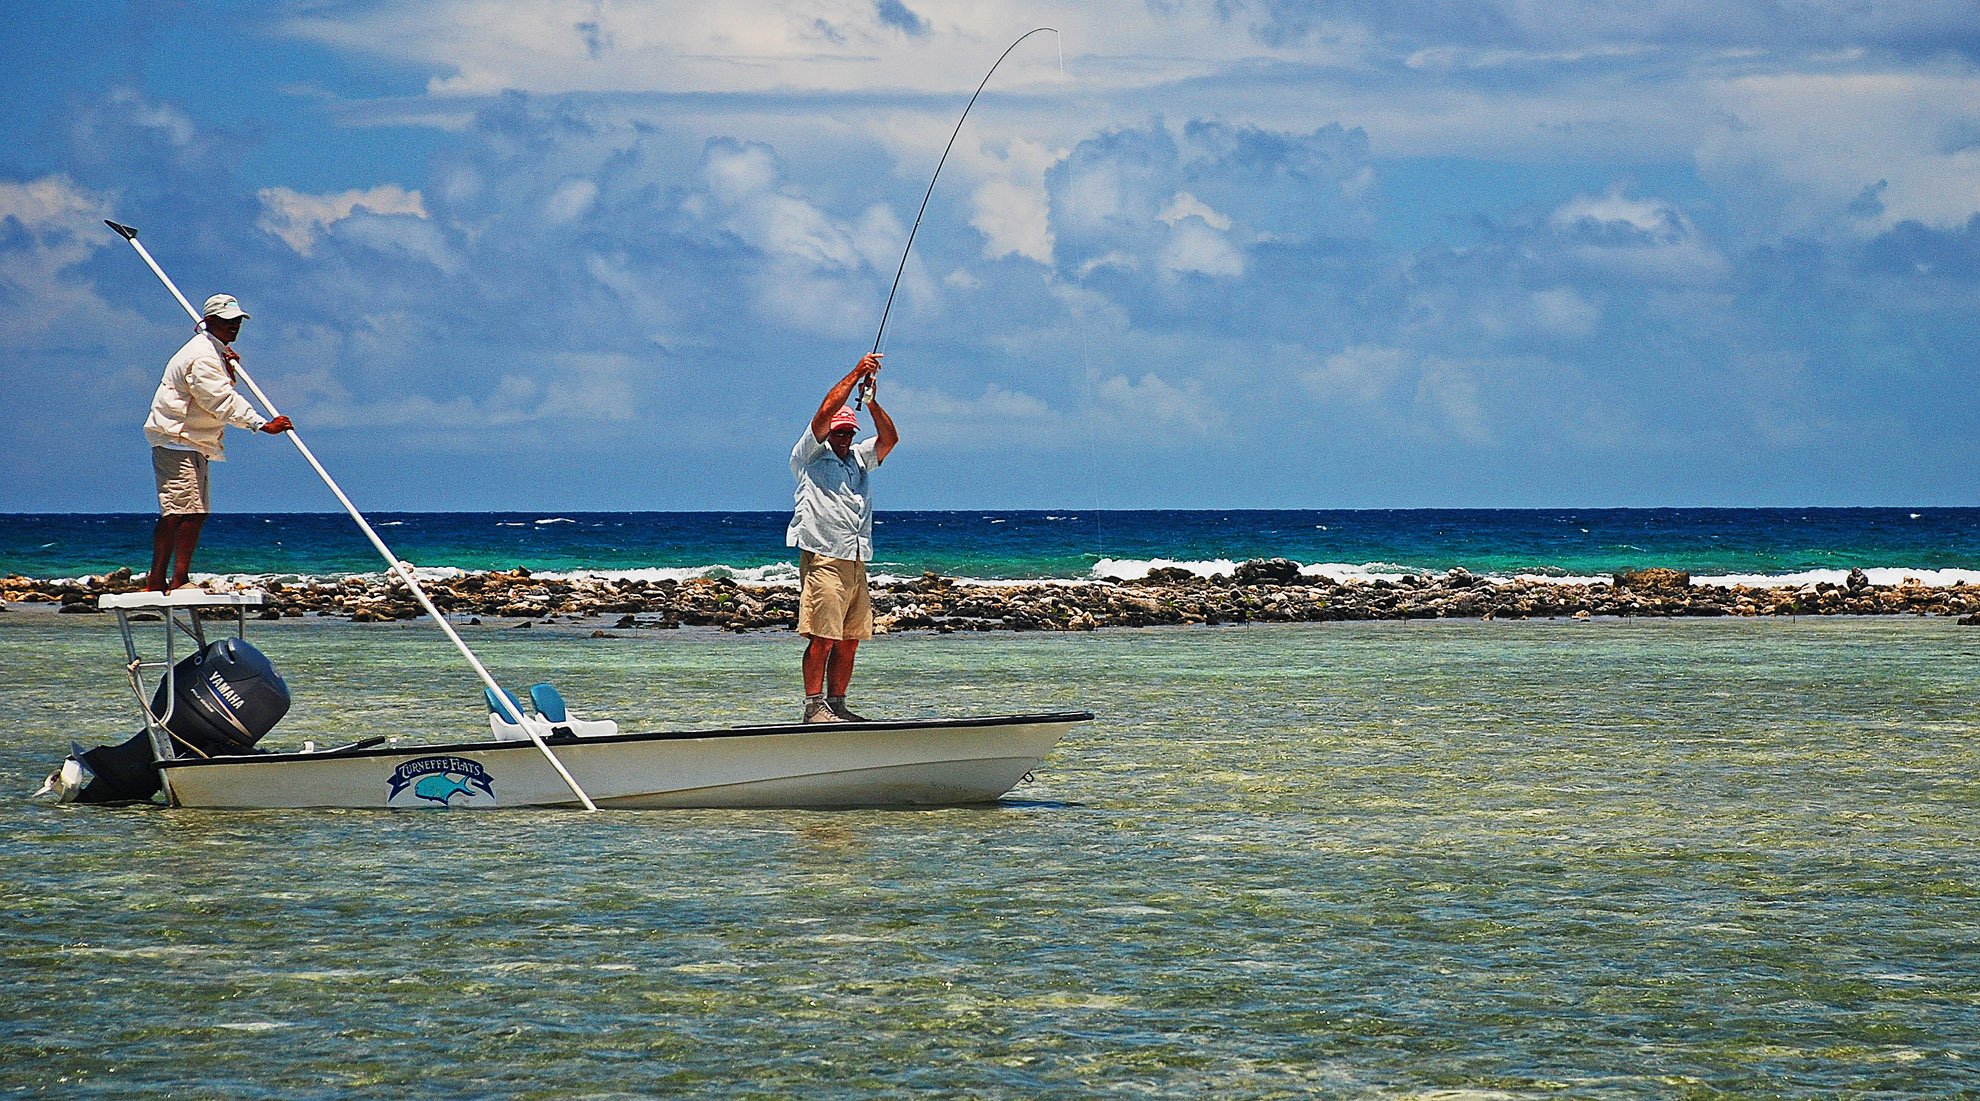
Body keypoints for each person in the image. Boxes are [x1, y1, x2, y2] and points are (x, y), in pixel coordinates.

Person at [141, 293, 292, 592]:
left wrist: (228, 366)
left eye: (236, 321)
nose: (234, 327)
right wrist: (261, 424)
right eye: (226, 321)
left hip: (192, 440)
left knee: (190, 511)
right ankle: (169, 580)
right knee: (182, 512)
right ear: (209, 321)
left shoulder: (214, 352)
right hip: (177, 437)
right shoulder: (203, 356)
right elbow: (219, 400)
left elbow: (219, 388)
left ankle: (166, 579)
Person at [788, 352, 898, 722]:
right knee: (822, 637)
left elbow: (889, 438)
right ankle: (812, 707)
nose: (844, 438)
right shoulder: (810, 455)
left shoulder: (857, 458)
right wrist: (857, 372)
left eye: (849, 433)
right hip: (824, 556)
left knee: (849, 640)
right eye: (839, 433)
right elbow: (824, 411)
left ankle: (837, 704)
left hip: (855, 558)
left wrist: (871, 401)